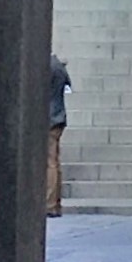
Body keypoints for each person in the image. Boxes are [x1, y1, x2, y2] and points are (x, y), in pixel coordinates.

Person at [47, 53, 71, 216]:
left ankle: (49, 204)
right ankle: (55, 203)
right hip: (58, 117)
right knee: (54, 161)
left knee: (50, 163)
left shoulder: (47, 67)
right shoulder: (59, 67)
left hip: (49, 119)